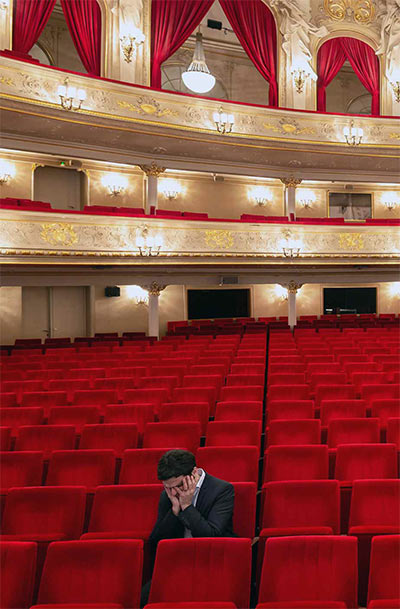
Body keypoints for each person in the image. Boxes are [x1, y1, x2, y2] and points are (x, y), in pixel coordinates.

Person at [149, 449, 235, 545]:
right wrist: (174, 512)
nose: (173, 492)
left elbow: (212, 536)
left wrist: (186, 506)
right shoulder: (167, 494)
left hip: (213, 553)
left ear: (194, 472)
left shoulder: (221, 490)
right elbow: (156, 541)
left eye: (179, 485)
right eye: (168, 487)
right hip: (180, 553)